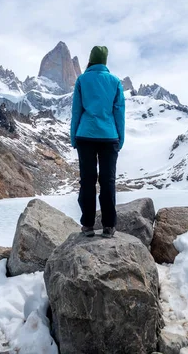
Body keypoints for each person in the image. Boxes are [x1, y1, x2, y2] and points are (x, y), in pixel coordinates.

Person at [70, 46, 125, 238]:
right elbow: (119, 112)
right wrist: (120, 138)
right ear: (105, 61)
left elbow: (76, 111)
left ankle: (87, 225)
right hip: (109, 137)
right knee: (108, 181)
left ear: (91, 60)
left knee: (87, 180)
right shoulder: (115, 81)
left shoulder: (82, 80)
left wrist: (73, 136)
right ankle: (109, 226)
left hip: (85, 136)